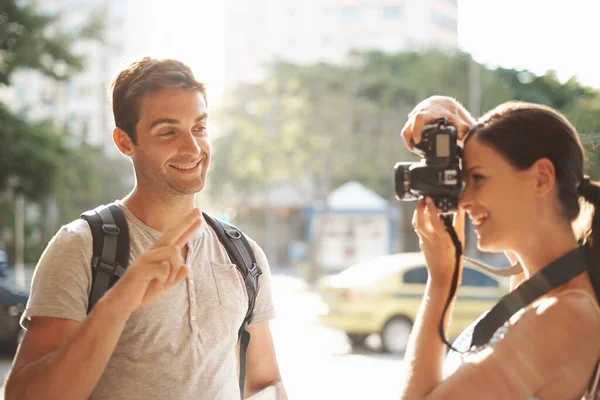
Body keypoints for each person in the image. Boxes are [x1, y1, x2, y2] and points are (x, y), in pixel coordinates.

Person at [4, 57, 287, 400]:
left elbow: (264, 382)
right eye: (168, 132)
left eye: (199, 128)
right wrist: (118, 303)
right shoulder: (81, 247)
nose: (193, 148)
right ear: (125, 142)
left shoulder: (243, 254)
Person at [398, 96, 600, 399]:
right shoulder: (540, 286)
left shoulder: (562, 316)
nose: (464, 202)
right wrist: (451, 120)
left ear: (542, 177)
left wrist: (442, 281)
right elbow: (500, 152)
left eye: (478, 178)